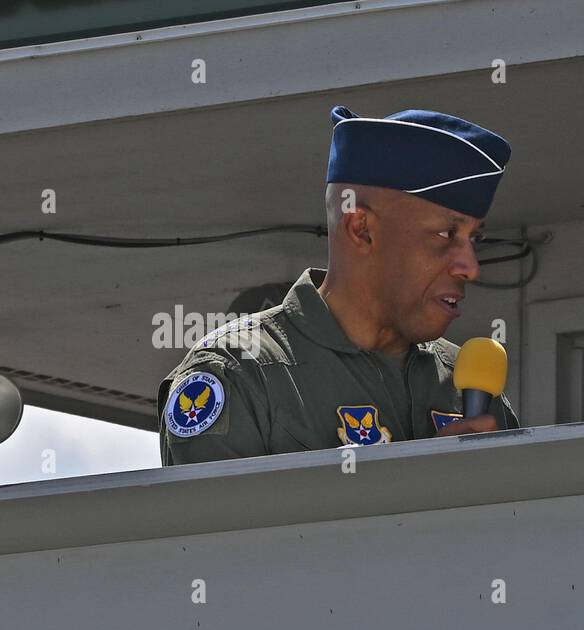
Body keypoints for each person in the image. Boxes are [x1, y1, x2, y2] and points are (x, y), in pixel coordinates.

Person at [158, 105, 517, 465]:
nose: (470, 267)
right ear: (361, 229)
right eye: (445, 234)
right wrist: (427, 485)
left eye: (475, 240)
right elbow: (225, 521)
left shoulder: (470, 390)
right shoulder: (241, 374)